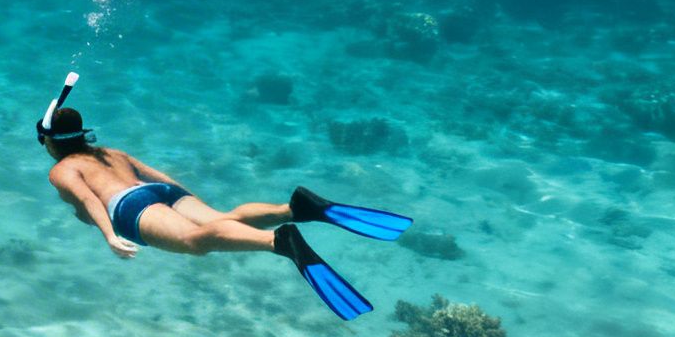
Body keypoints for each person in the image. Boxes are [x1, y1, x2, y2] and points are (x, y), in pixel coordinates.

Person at [33, 72, 412, 320]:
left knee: (194, 242)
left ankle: (279, 242)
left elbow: (89, 201)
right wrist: (183, 198)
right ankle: (296, 208)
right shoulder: (110, 153)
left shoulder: (62, 170)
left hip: (128, 209)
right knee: (219, 221)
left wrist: (110, 236)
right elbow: (158, 176)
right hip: (159, 193)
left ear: (49, 140)